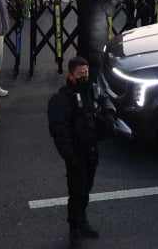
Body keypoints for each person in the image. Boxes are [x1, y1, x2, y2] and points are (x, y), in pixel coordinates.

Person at [47, 57, 116, 246]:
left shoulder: (92, 90)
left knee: (86, 189)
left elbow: (105, 100)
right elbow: (59, 132)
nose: (84, 76)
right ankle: (74, 229)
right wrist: (70, 156)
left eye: (86, 73)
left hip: (92, 150)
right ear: (70, 75)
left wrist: (109, 115)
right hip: (76, 155)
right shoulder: (61, 99)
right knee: (76, 193)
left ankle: (82, 219)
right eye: (80, 74)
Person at [74, 0, 112, 79]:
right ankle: (93, 86)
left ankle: (80, 79)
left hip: (83, 27)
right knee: (96, 63)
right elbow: (110, 10)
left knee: (82, 56)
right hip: (98, 32)